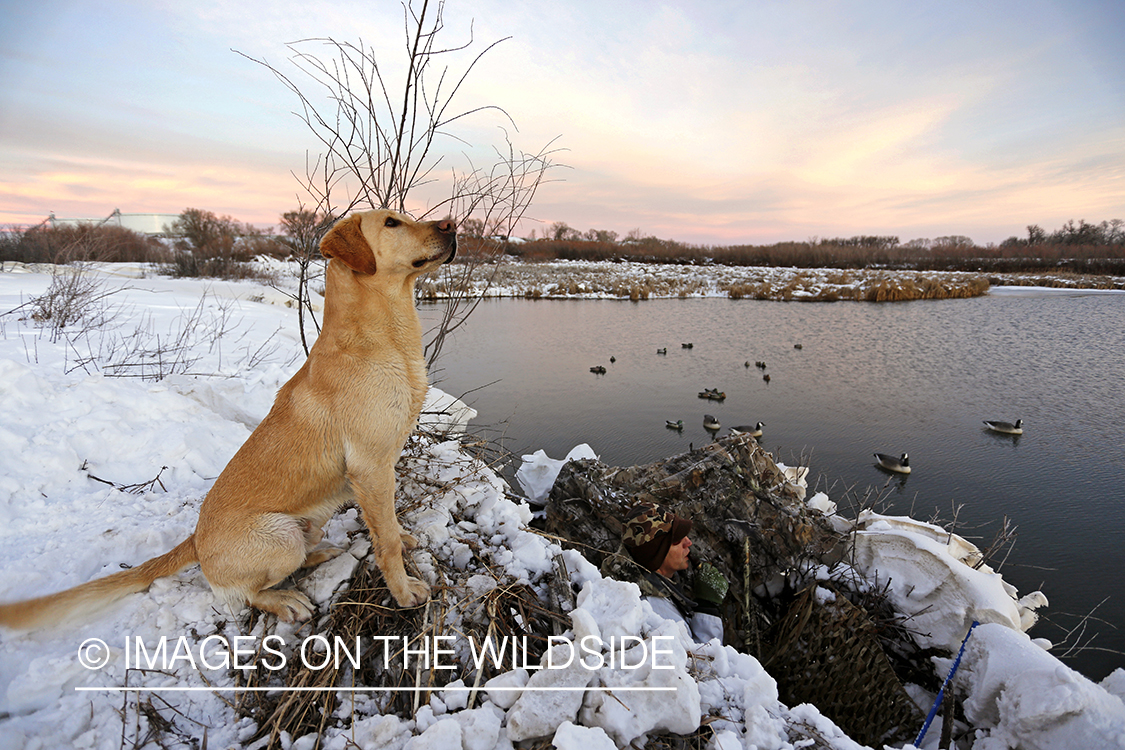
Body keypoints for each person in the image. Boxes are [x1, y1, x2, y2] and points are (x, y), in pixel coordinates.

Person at [620, 501, 728, 644]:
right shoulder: (654, 612)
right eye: (677, 540)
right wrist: (707, 607)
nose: (688, 542)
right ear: (656, 554)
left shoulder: (661, 587)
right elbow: (701, 662)